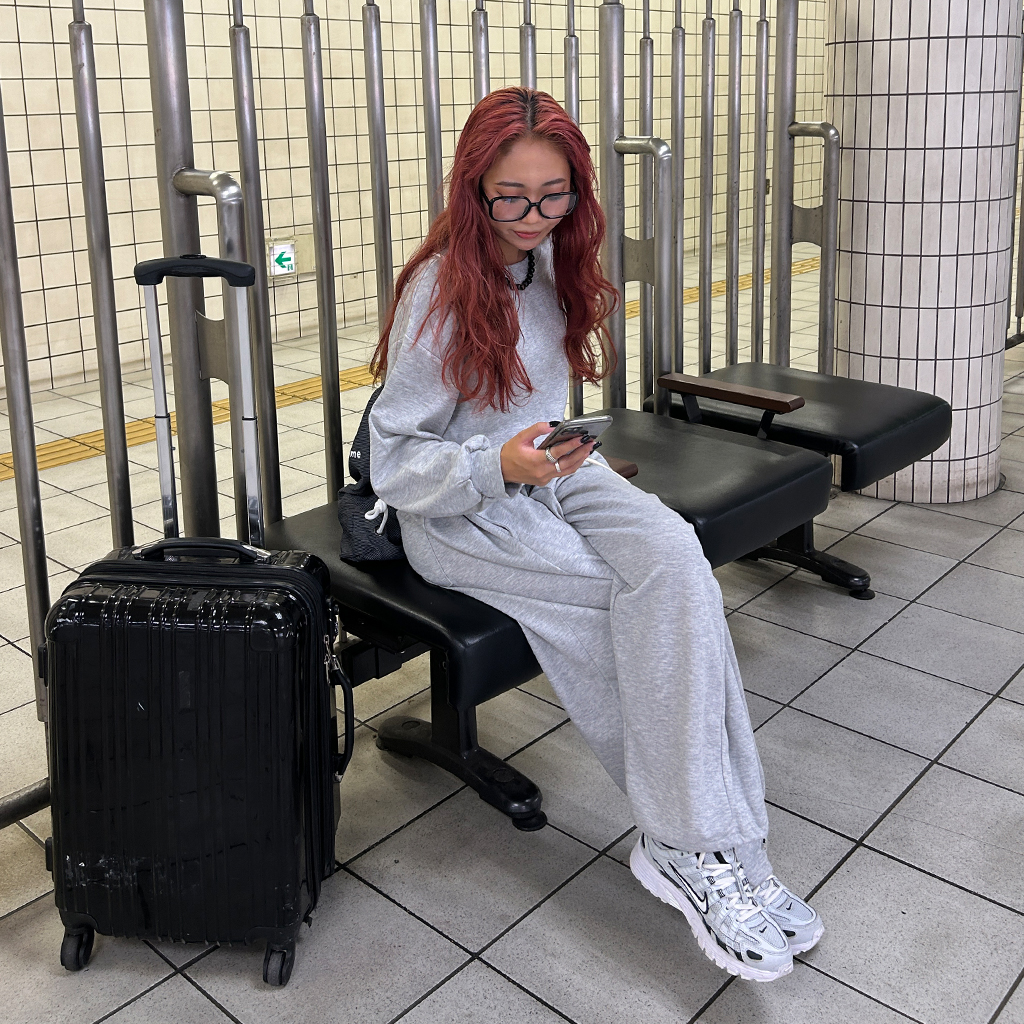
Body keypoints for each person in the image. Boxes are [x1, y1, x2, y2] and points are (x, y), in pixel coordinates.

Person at [368, 86, 822, 983]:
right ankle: (692, 844)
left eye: (554, 195)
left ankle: (724, 839)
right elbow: (394, 464)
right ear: (472, 188)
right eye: (511, 197)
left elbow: (533, 403)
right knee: (628, 605)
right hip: (463, 509)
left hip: (557, 472)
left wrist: (565, 455)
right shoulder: (438, 292)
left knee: (678, 567)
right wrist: (499, 465)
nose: (534, 216)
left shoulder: (548, 264)